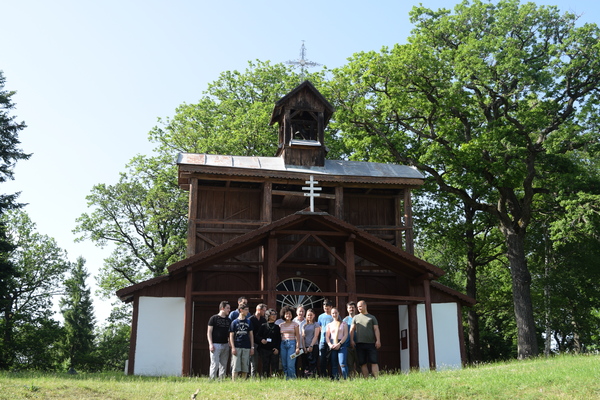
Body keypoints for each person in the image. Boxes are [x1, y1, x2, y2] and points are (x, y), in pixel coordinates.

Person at [350, 300, 381, 378]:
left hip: (371, 343)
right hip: (359, 343)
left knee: (374, 361)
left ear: (365, 306)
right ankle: (366, 379)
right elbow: (352, 329)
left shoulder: (372, 317)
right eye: (357, 307)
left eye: (360, 306)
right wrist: (351, 340)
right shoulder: (355, 317)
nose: (358, 308)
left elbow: (376, 329)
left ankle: (377, 379)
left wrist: (378, 340)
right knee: (362, 363)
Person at [206, 300, 231, 379]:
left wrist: (229, 342)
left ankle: (221, 380)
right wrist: (210, 344)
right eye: (227, 308)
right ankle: (212, 379)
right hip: (215, 344)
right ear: (222, 308)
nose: (229, 310)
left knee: (223, 364)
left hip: (225, 345)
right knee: (215, 364)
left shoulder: (229, 320)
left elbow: (230, 334)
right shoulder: (213, 318)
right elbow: (209, 332)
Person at [229, 304, 254, 381]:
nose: (248, 311)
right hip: (237, 346)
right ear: (241, 310)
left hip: (246, 346)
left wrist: (252, 347)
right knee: (235, 366)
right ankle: (234, 382)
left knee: (245, 367)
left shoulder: (249, 321)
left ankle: (243, 382)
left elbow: (251, 335)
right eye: (246, 310)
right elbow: (231, 335)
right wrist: (233, 347)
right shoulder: (234, 322)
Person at [256, 308, 281, 378]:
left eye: (275, 314)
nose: (274, 316)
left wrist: (277, 348)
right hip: (264, 350)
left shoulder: (277, 327)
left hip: (273, 350)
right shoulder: (263, 326)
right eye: (272, 314)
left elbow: (279, 339)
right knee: (265, 366)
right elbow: (257, 336)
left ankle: (274, 379)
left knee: (275, 367)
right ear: (268, 315)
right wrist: (262, 340)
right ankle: (264, 379)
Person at [326, 308, 349, 380]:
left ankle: (345, 379)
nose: (334, 314)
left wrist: (339, 343)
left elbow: (345, 335)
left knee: (342, 363)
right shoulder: (329, 325)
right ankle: (336, 379)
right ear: (331, 314)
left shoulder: (343, 323)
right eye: (333, 313)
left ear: (338, 313)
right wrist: (330, 345)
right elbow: (327, 336)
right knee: (334, 364)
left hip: (341, 343)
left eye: (336, 313)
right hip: (333, 343)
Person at [279, 305, 301, 380]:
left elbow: (298, 336)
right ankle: (286, 379)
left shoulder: (295, 324)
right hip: (283, 344)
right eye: (286, 314)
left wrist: (297, 347)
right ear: (284, 315)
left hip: (292, 344)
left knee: (290, 364)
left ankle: (292, 379)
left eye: (290, 314)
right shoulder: (281, 325)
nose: (288, 315)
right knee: (284, 363)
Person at [249, 303, 267, 378]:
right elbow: (250, 333)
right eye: (264, 310)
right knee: (254, 363)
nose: (264, 312)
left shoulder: (263, 320)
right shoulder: (250, 319)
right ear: (259, 310)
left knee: (264, 361)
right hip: (254, 343)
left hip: (262, 344)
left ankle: (263, 377)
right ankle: (253, 378)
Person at [301, 308, 320, 377]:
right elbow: (303, 337)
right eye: (308, 315)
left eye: (311, 315)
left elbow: (316, 336)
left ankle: (313, 376)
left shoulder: (316, 324)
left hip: (313, 346)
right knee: (305, 363)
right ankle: (306, 376)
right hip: (305, 346)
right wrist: (304, 347)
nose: (309, 317)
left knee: (313, 362)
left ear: (314, 315)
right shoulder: (304, 325)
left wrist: (311, 346)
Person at [318, 299, 334, 378]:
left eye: (327, 308)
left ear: (331, 307)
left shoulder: (334, 315)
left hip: (332, 340)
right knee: (322, 358)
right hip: (322, 340)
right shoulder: (320, 316)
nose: (326, 309)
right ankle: (323, 375)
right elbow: (319, 327)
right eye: (325, 308)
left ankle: (332, 375)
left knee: (331, 359)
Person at [343, 301, 359, 377]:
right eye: (350, 307)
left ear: (355, 309)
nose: (351, 309)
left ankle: (360, 379)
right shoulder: (345, 320)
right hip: (348, 345)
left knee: (359, 363)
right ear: (347, 309)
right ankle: (352, 379)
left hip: (358, 344)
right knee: (350, 365)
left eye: (353, 307)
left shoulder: (359, 318)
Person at [293, 305, 306, 377]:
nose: (301, 313)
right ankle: (295, 375)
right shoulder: (293, 321)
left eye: (302, 311)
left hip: (304, 345)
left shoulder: (307, 321)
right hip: (296, 345)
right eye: (300, 311)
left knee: (304, 361)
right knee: (295, 362)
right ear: (296, 312)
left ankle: (304, 376)